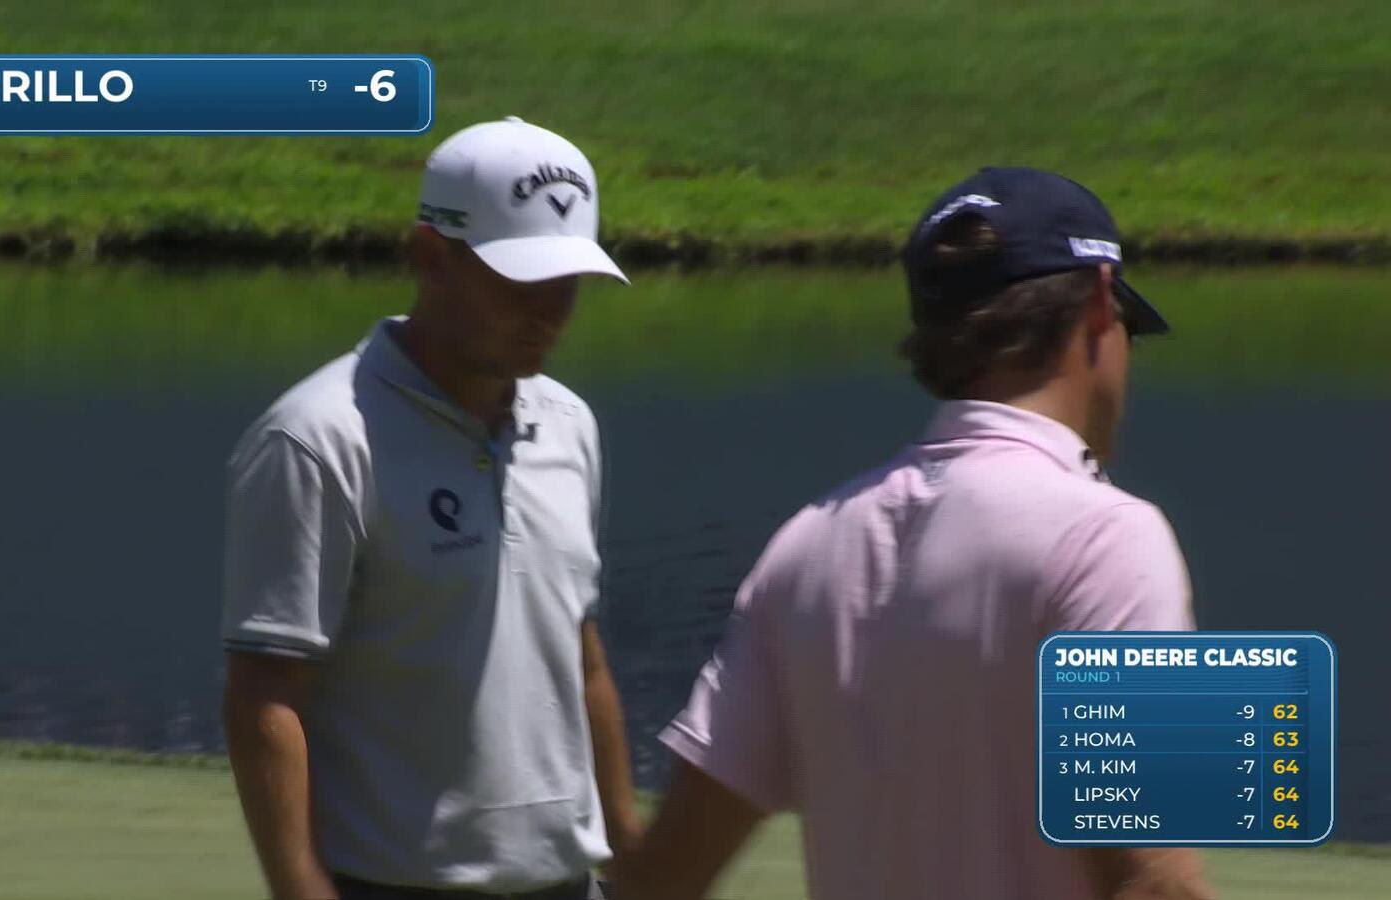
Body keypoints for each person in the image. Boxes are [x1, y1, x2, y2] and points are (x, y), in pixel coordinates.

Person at [624, 167, 1215, 900]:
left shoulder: (806, 546)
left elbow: (661, 878)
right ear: (1099, 300)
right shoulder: (1107, 539)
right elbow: (1153, 883)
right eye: (1130, 325)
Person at [221, 116, 641, 900]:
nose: (549, 312)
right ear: (431, 257)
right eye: (519, 282)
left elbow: (582, 656)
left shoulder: (570, 425)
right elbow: (266, 692)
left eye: (566, 284)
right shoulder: (317, 439)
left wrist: (634, 861)